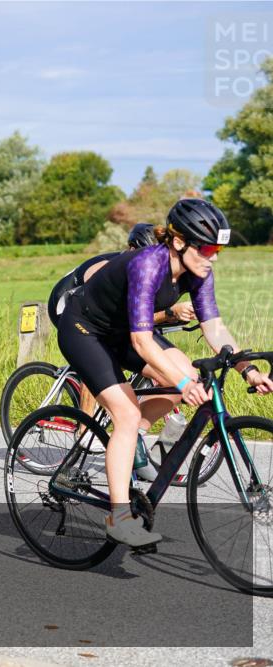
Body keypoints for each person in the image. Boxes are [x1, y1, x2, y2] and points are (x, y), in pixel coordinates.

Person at [57, 198, 273, 547]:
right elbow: (143, 342)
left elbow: (214, 327)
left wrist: (246, 369)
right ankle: (120, 517)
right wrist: (182, 382)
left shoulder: (199, 271)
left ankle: (130, 437)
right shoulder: (147, 264)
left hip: (123, 332)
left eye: (218, 249)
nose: (213, 256)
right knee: (130, 411)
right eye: (206, 248)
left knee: (188, 378)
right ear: (178, 242)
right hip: (85, 330)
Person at [46, 222, 190, 481]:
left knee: (175, 372)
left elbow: (140, 314)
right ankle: (85, 429)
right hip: (71, 310)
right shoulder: (112, 265)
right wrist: (168, 314)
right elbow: (115, 313)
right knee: (101, 362)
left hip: (118, 324)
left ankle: (134, 438)